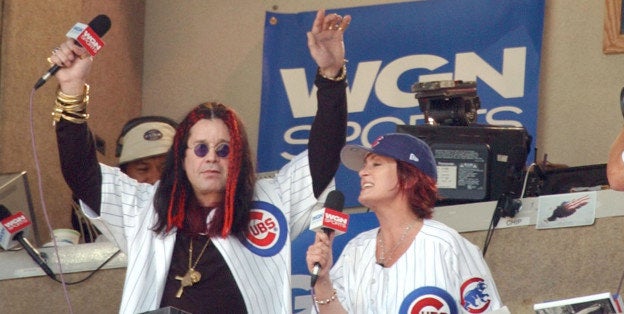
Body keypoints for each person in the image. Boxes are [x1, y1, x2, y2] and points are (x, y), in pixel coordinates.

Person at [49, 8, 350, 314]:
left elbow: (324, 156)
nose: (211, 159)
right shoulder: (146, 207)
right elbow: (81, 174)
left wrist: (331, 77)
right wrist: (72, 89)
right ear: (181, 158)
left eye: (223, 149)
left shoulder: (272, 199)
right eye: (201, 148)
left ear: (238, 159)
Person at [306, 133, 504, 313]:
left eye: (376, 164)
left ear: (408, 177)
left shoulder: (445, 244)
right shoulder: (356, 250)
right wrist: (322, 282)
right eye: (364, 166)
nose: (362, 173)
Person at [71, 116, 178, 242]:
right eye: (143, 169)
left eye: (165, 169)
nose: (155, 178)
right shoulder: (114, 206)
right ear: (123, 174)